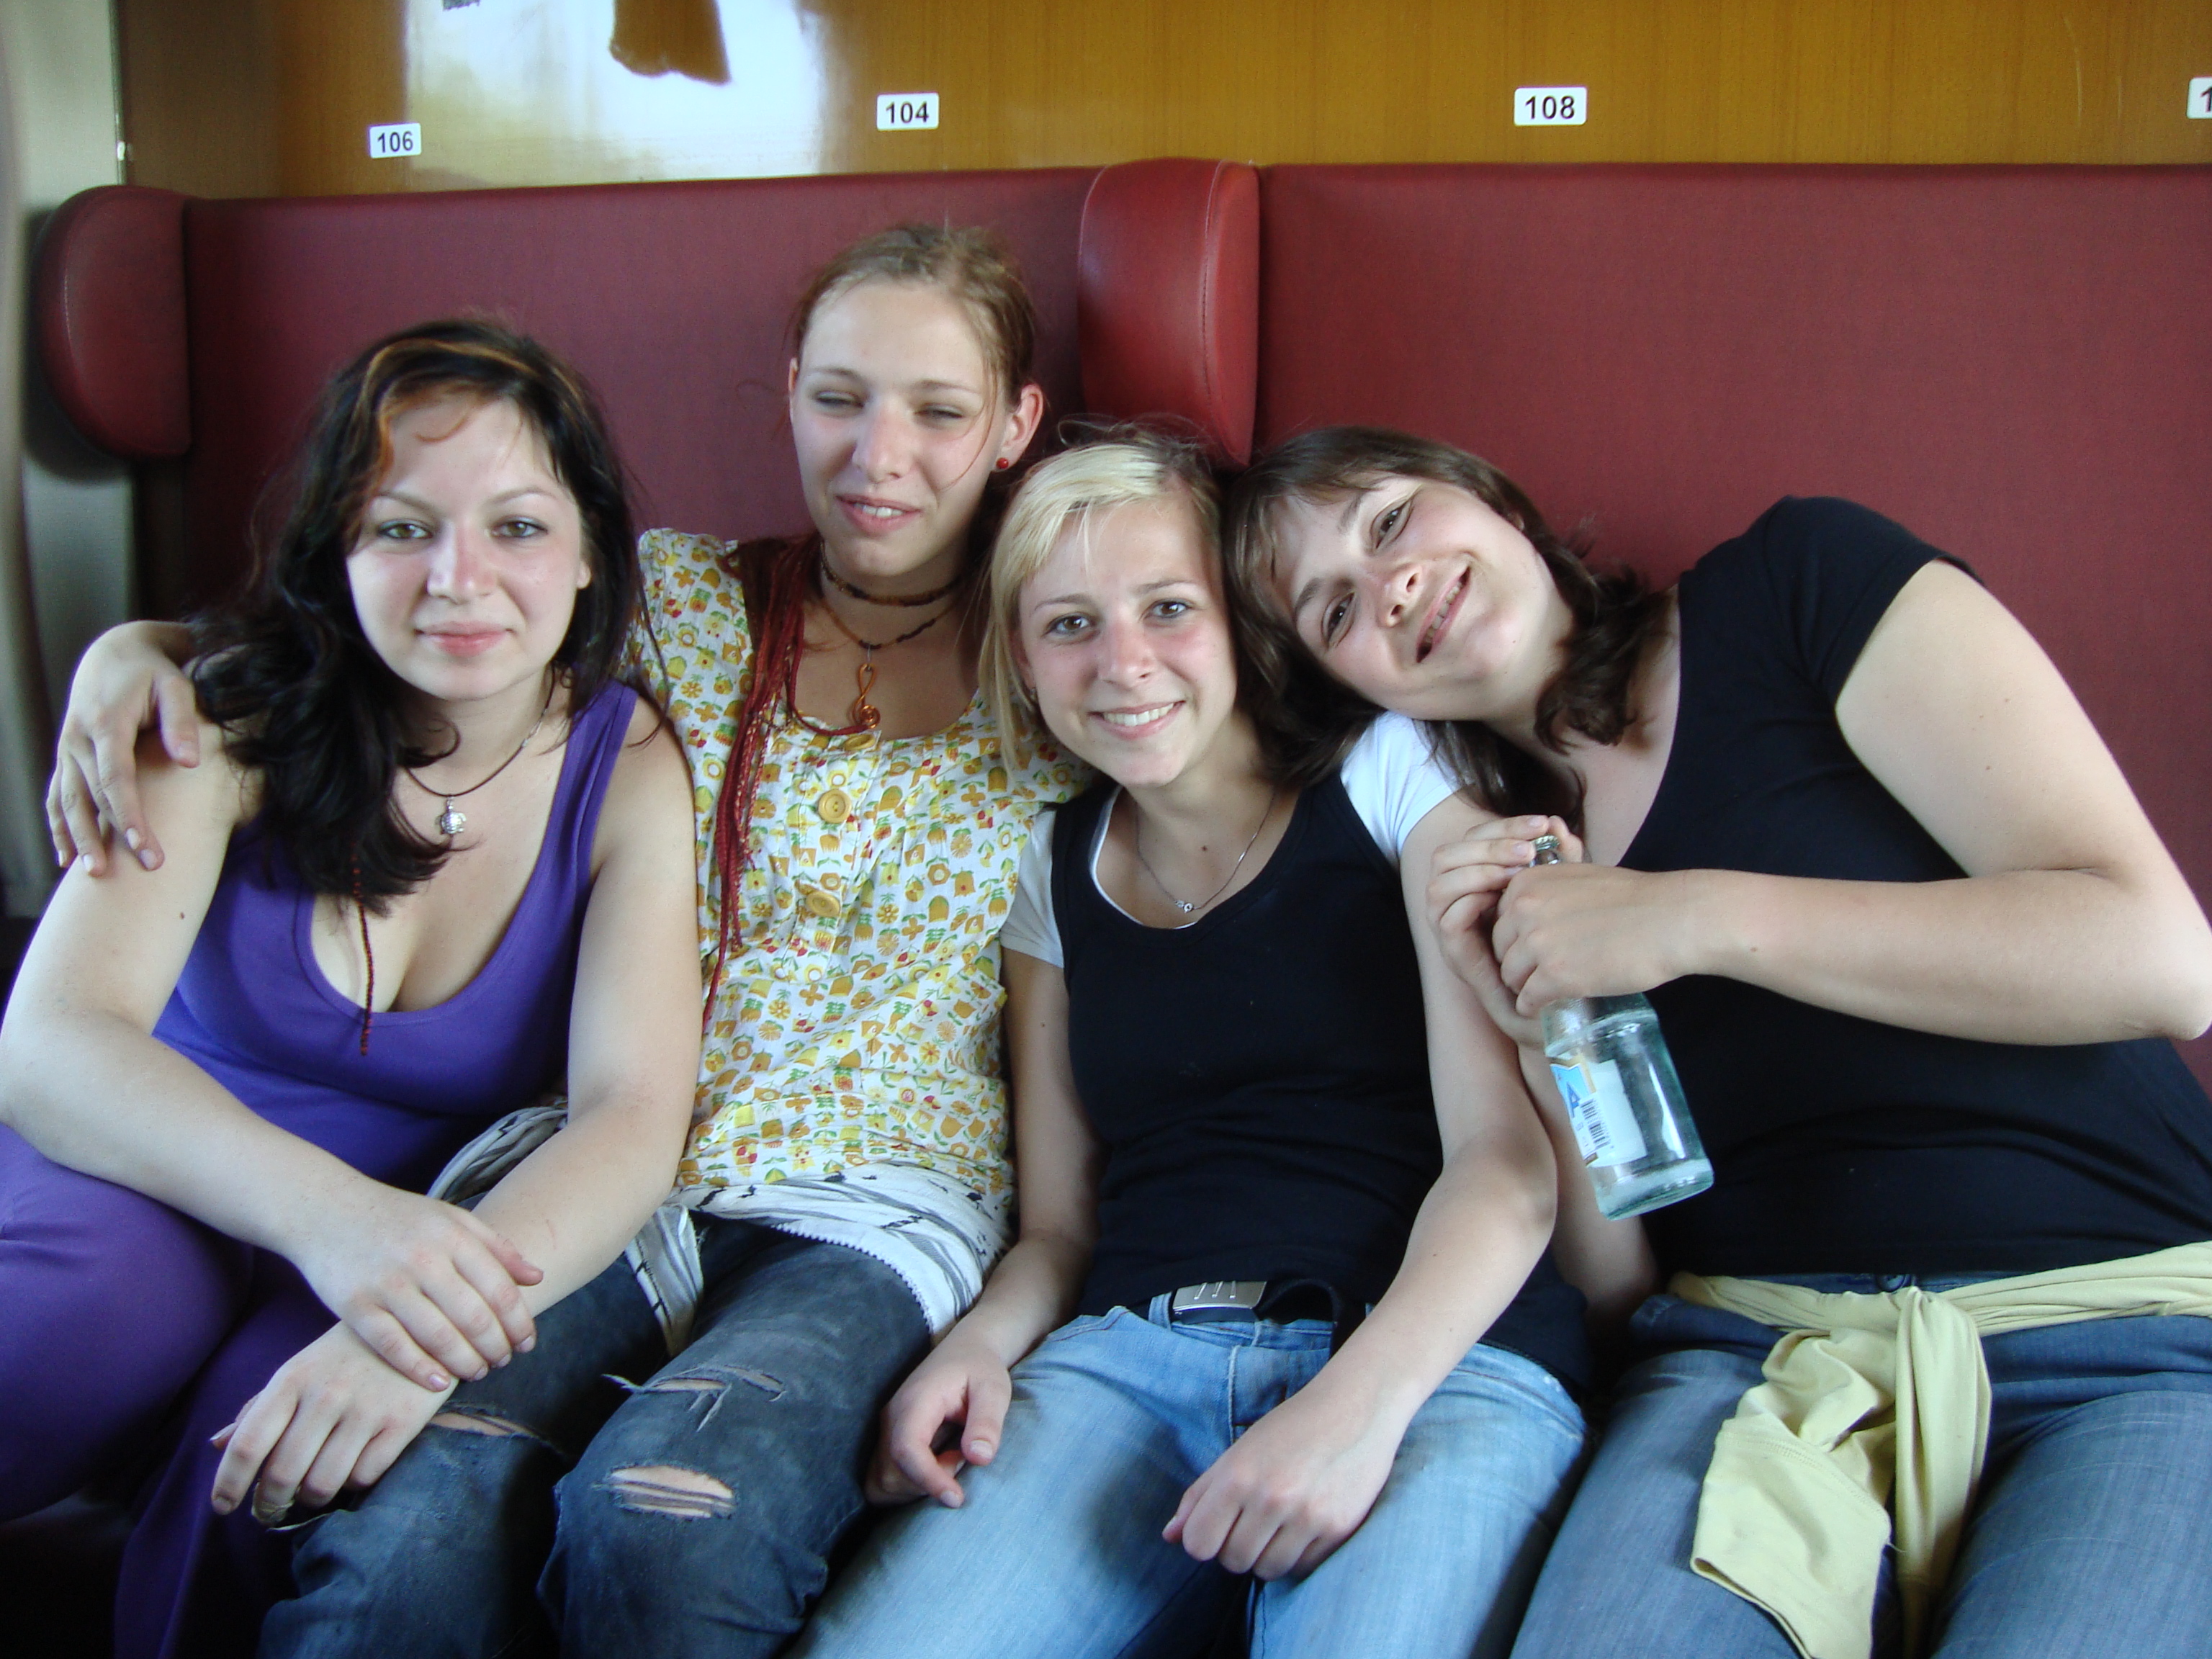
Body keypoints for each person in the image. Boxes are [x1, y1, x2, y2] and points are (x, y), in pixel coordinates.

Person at [44, 225, 1084, 1654]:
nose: (877, 455)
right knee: (390, 1548)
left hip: (873, 1207)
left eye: (940, 411)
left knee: (657, 1529)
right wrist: (141, 653)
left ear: (1016, 425)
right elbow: (417, 615)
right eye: (839, 397)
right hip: (594, 1182)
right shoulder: (672, 600)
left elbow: (1227, 729)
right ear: (789, 389)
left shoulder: (1069, 658)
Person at [1222, 426, 2212, 1659]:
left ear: (1488, 497)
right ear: (1357, 695)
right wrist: (1542, 1043)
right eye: (1335, 612)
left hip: (2125, 1328)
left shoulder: (1796, 581)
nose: (1392, 586)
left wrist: (1694, 918)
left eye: (1388, 524)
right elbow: (1620, 1292)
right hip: (1757, 1364)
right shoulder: (1510, 870)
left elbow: (2162, 963)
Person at [790, 433, 1642, 1659]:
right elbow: (1061, 1231)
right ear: (1023, 663)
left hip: (1439, 1363)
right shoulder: (1049, 873)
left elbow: (1504, 1166)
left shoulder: (1391, 775)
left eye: (1169, 608)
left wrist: (1355, 1411)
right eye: (1069, 626)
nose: (1124, 664)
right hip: (1132, 1367)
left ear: (1244, 626)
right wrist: (976, 1344)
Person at [0, 320, 701, 1659]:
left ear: (591, 552)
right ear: (337, 547)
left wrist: (436, 1316)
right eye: (401, 528)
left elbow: (628, 1112)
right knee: (90, 1320)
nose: (459, 580)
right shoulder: (219, 718)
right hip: (141, 1164)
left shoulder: (627, 769)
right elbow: (52, 1043)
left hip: (396, 1228)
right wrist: (338, 1222)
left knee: (276, 1449)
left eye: (517, 526)